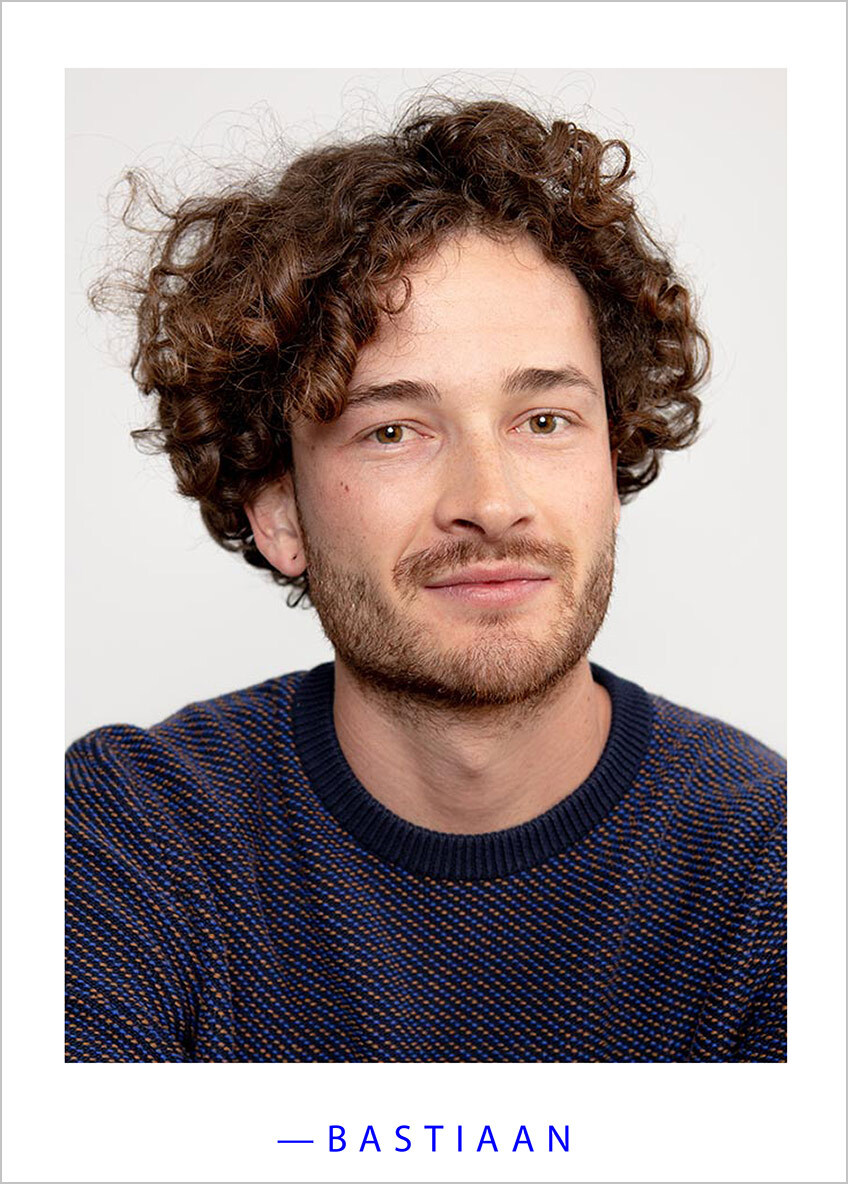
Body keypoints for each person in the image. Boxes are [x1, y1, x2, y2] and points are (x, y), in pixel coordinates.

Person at [66, 96, 786, 1063]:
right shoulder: (135, 838)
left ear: (612, 466)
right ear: (280, 513)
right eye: (394, 430)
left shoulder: (779, 867)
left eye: (544, 421)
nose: (490, 503)